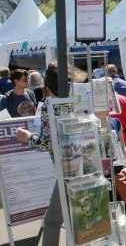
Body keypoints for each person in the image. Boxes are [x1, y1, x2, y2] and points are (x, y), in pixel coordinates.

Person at [15, 60, 87, 245]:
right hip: (86, 163)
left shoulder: (50, 105)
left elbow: (45, 142)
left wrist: (27, 137)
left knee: (52, 221)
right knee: (80, 216)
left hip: (66, 170)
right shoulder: (78, 98)